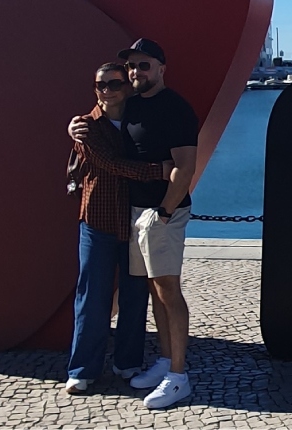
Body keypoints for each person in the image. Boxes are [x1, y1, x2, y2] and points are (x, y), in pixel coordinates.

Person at [61, 62, 169, 396]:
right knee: (92, 297)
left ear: (127, 86)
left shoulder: (141, 119)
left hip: (136, 220)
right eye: (101, 85)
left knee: (135, 296)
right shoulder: (87, 126)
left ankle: (128, 362)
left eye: (115, 84)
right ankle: (82, 369)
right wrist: (160, 171)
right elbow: (110, 164)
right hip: (99, 220)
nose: (107, 91)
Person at [111, 37, 200, 409]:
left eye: (144, 65)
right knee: (154, 289)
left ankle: (178, 377)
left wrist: (164, 212)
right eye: (131, 66)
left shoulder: (175, 108)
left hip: (163, 213)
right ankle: (165, 361)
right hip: (138, 210)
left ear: (161, 69)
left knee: (168, 290)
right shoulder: (131, 105)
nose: (136, 72)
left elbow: (185, 167)